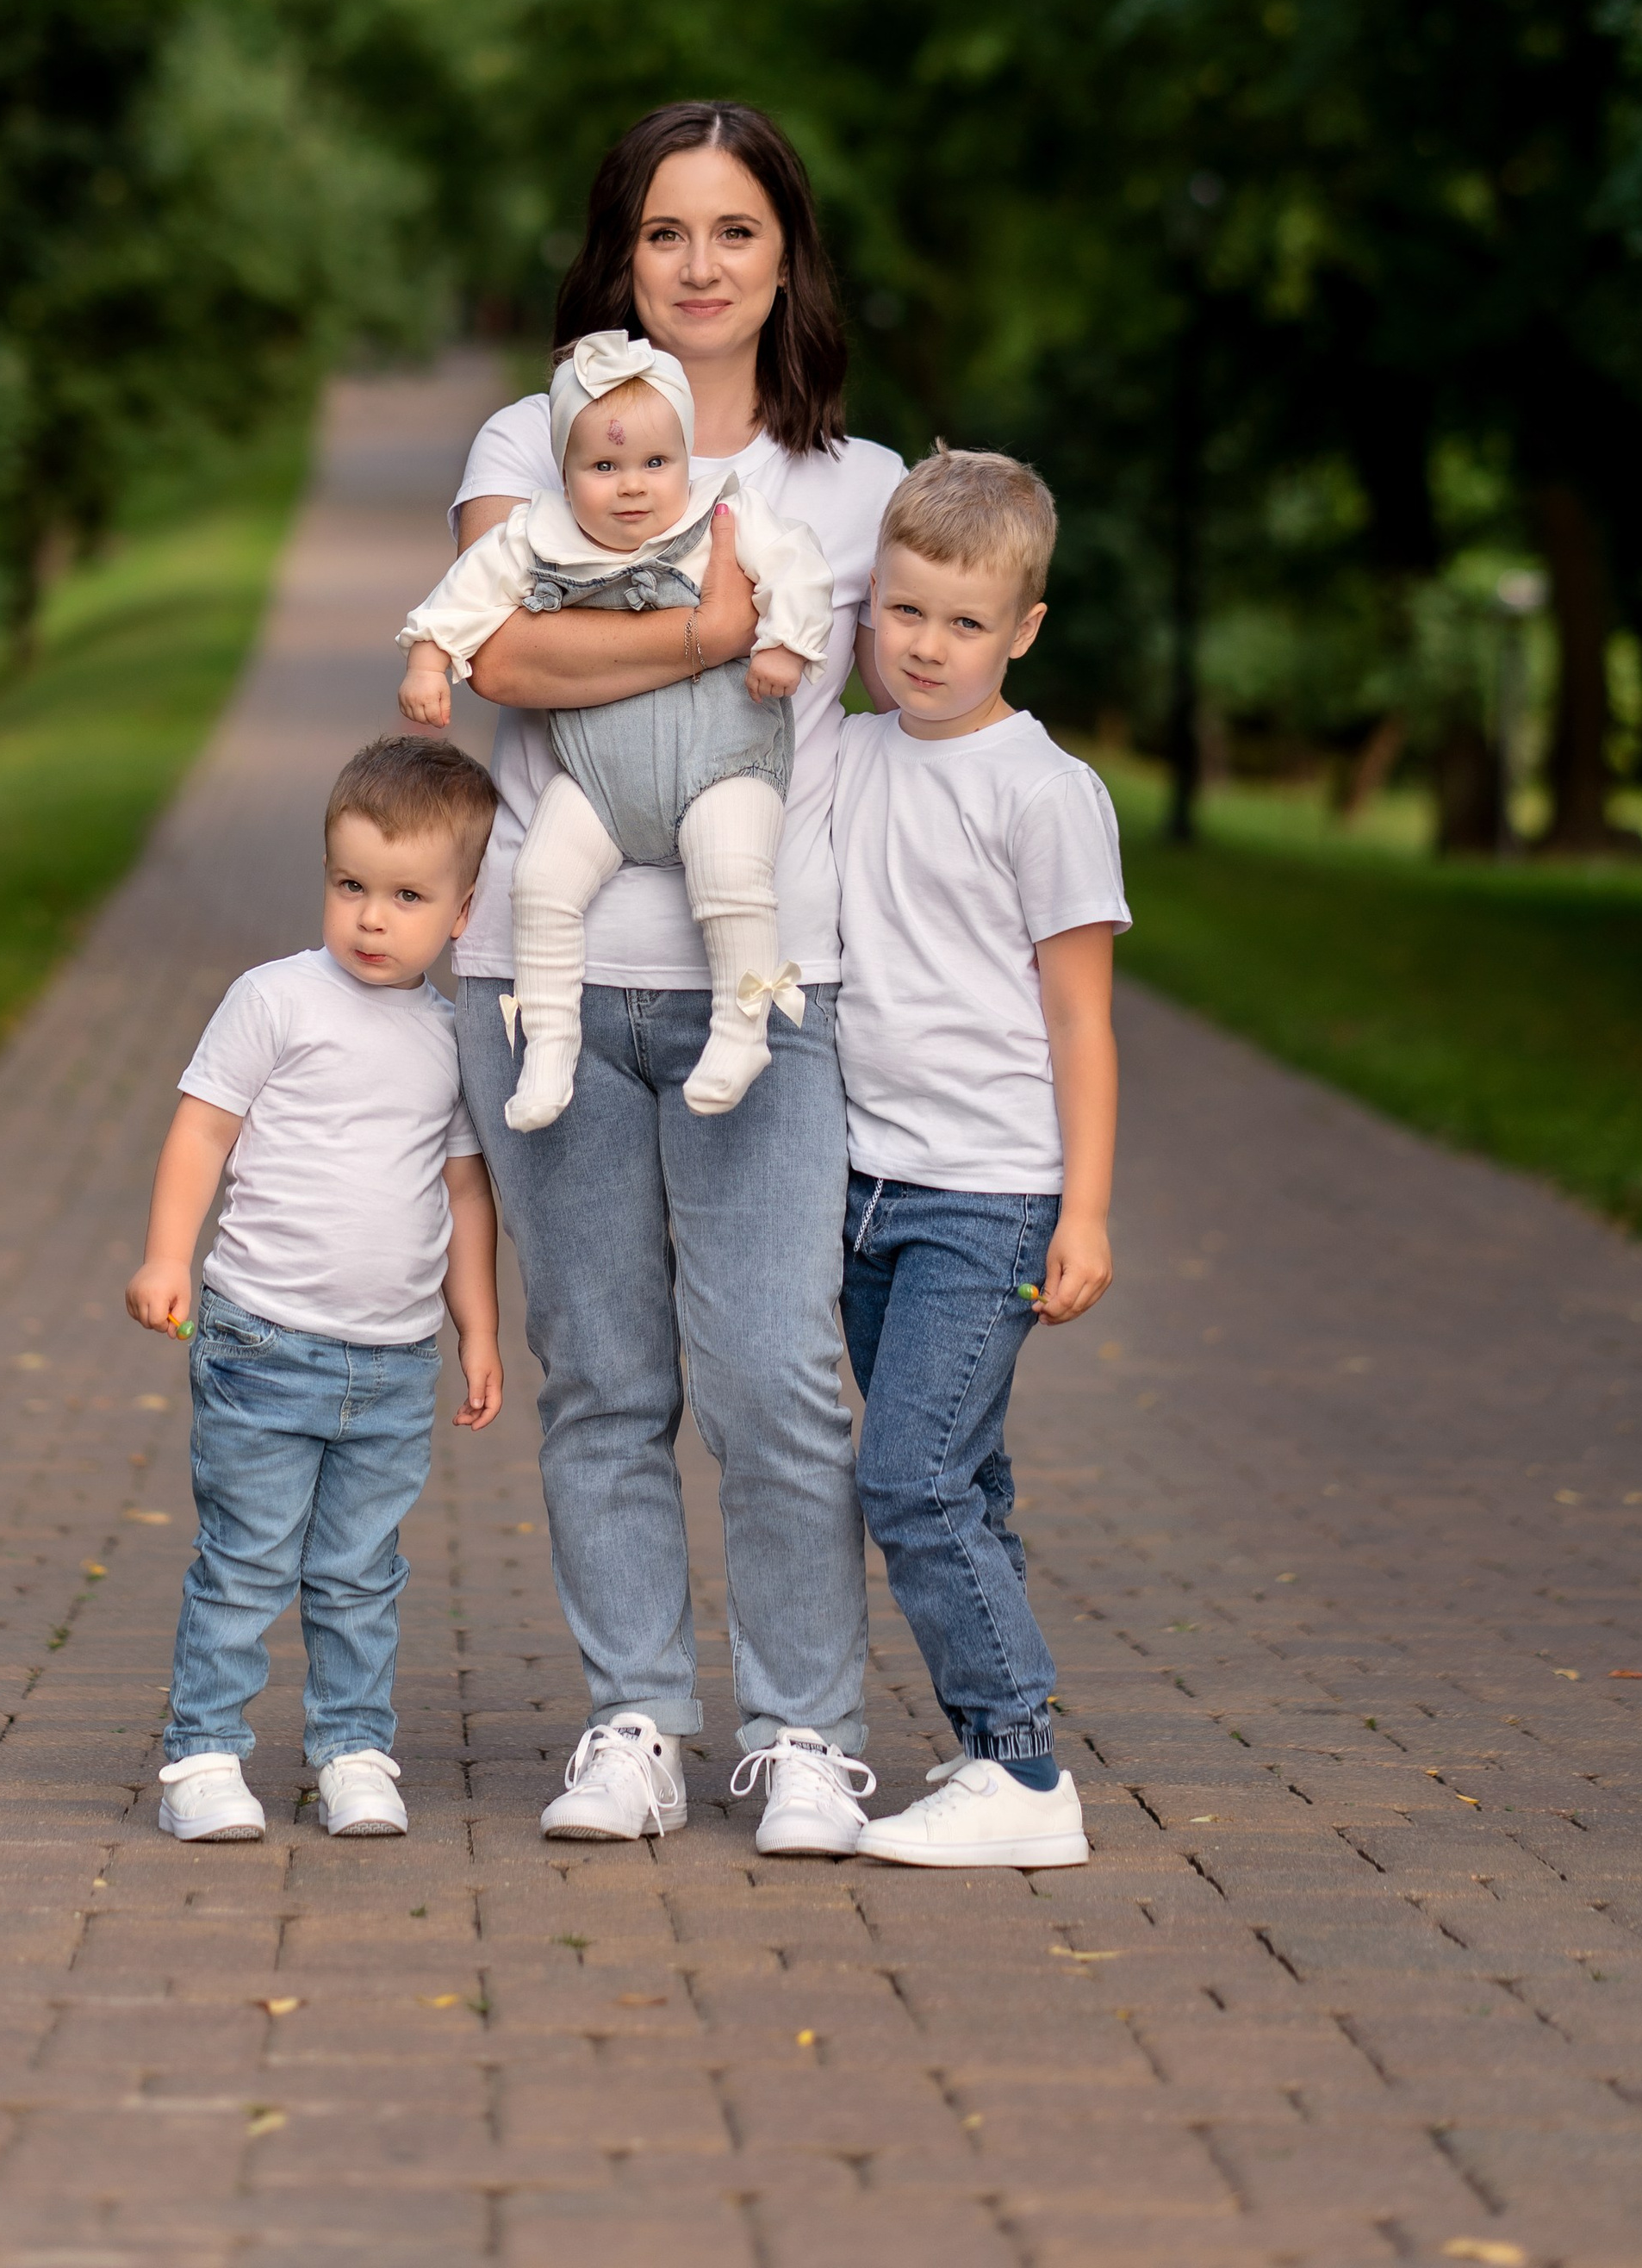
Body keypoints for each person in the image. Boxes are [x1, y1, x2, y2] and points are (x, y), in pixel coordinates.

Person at [447, 100, 903, 1857]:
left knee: (778, 1372)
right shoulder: (528, 433)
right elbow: (498, 644)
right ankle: (632, 1717)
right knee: (603, 1381)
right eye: (661, 233)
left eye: (732, 231)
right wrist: (711, 632)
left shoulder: (849, 488)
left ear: (783, 251)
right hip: (538, 976)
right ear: (614, 256)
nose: (697, 266)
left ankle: (800, 1733)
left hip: (762, 990)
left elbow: (922, 707)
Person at [830, 446, 1128, 1870]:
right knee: (966, 1476)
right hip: (860, 1190)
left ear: (1023, 630)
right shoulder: (846, 753)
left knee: (911, 1480)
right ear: (868, 608)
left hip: (989, 1198)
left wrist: (1085, 1214)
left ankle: (1021, 1769)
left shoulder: (1044, 790)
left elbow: (1081, 1022)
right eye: (904, 613)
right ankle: (985, 1756)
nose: (928, 647)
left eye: (964, 621)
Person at [125, 736, 503, 1847]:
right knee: (245, 1561)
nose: (372, 919)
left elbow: (465, 1195)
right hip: (261, 1339)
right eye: (350, 887)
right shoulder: (275, 1000)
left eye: (405, 896)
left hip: (391, 1362)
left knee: (357, 1573)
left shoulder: (450, 1038)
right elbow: (202, 1127)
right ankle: (202, 1754)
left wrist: (476, 1326)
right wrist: (165, 1255)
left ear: (462, 913)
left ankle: (354, 1751)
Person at [398, 327, 834, 1128]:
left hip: (722, 761)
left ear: (686, 458)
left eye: (655, 464)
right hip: (601, 781)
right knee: (540, 884)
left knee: (732, 874)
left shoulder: (724, 511)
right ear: (565, 474)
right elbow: (467, 590)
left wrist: (786, 644)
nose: (632, 487)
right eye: (604, 467)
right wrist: (430, 659)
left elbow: (800, 567)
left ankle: (742, 1029)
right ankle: (552, 1048)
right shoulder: (539, 535)